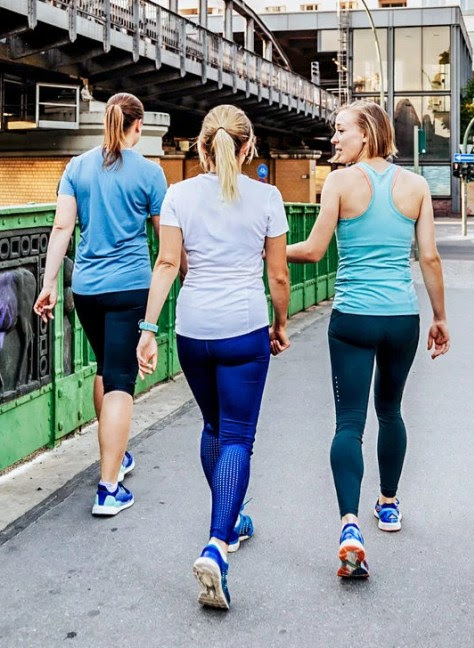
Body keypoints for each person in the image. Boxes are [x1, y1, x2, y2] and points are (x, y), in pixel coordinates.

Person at [286, 100, 449, 579]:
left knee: (349, 423)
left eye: (340, 131)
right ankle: (390, 504)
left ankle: (350, 526)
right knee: (391, 411)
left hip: (353, 317)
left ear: (367, 134)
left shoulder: (338, 184)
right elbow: (430, 259)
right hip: (401, 316)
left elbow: (314, 250)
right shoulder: (416, 186)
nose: (334, 139)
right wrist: (440, 317)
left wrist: (270, 246)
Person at [136, 104, 290, 610]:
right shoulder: (267, 197)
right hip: (244, 328)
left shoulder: (177, 195)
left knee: (213, 429)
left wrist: (148, 327)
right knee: (239, 437)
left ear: (201, 147)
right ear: (248, 149)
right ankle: (216, 545)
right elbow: (278, 276)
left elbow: (167, 263)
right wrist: (281, 321)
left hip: (193, 330)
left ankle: (232, 518)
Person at [34, 92, 167, 517]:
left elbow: (61, 227)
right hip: (130, 288)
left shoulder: (77, 167)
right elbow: (166, 242)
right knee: (122, 383)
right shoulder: (150, 174)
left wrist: (48, 281)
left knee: (105, 370)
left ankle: (116, 456)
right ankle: (109, 488)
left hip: (86, 289)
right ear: (139, 126)